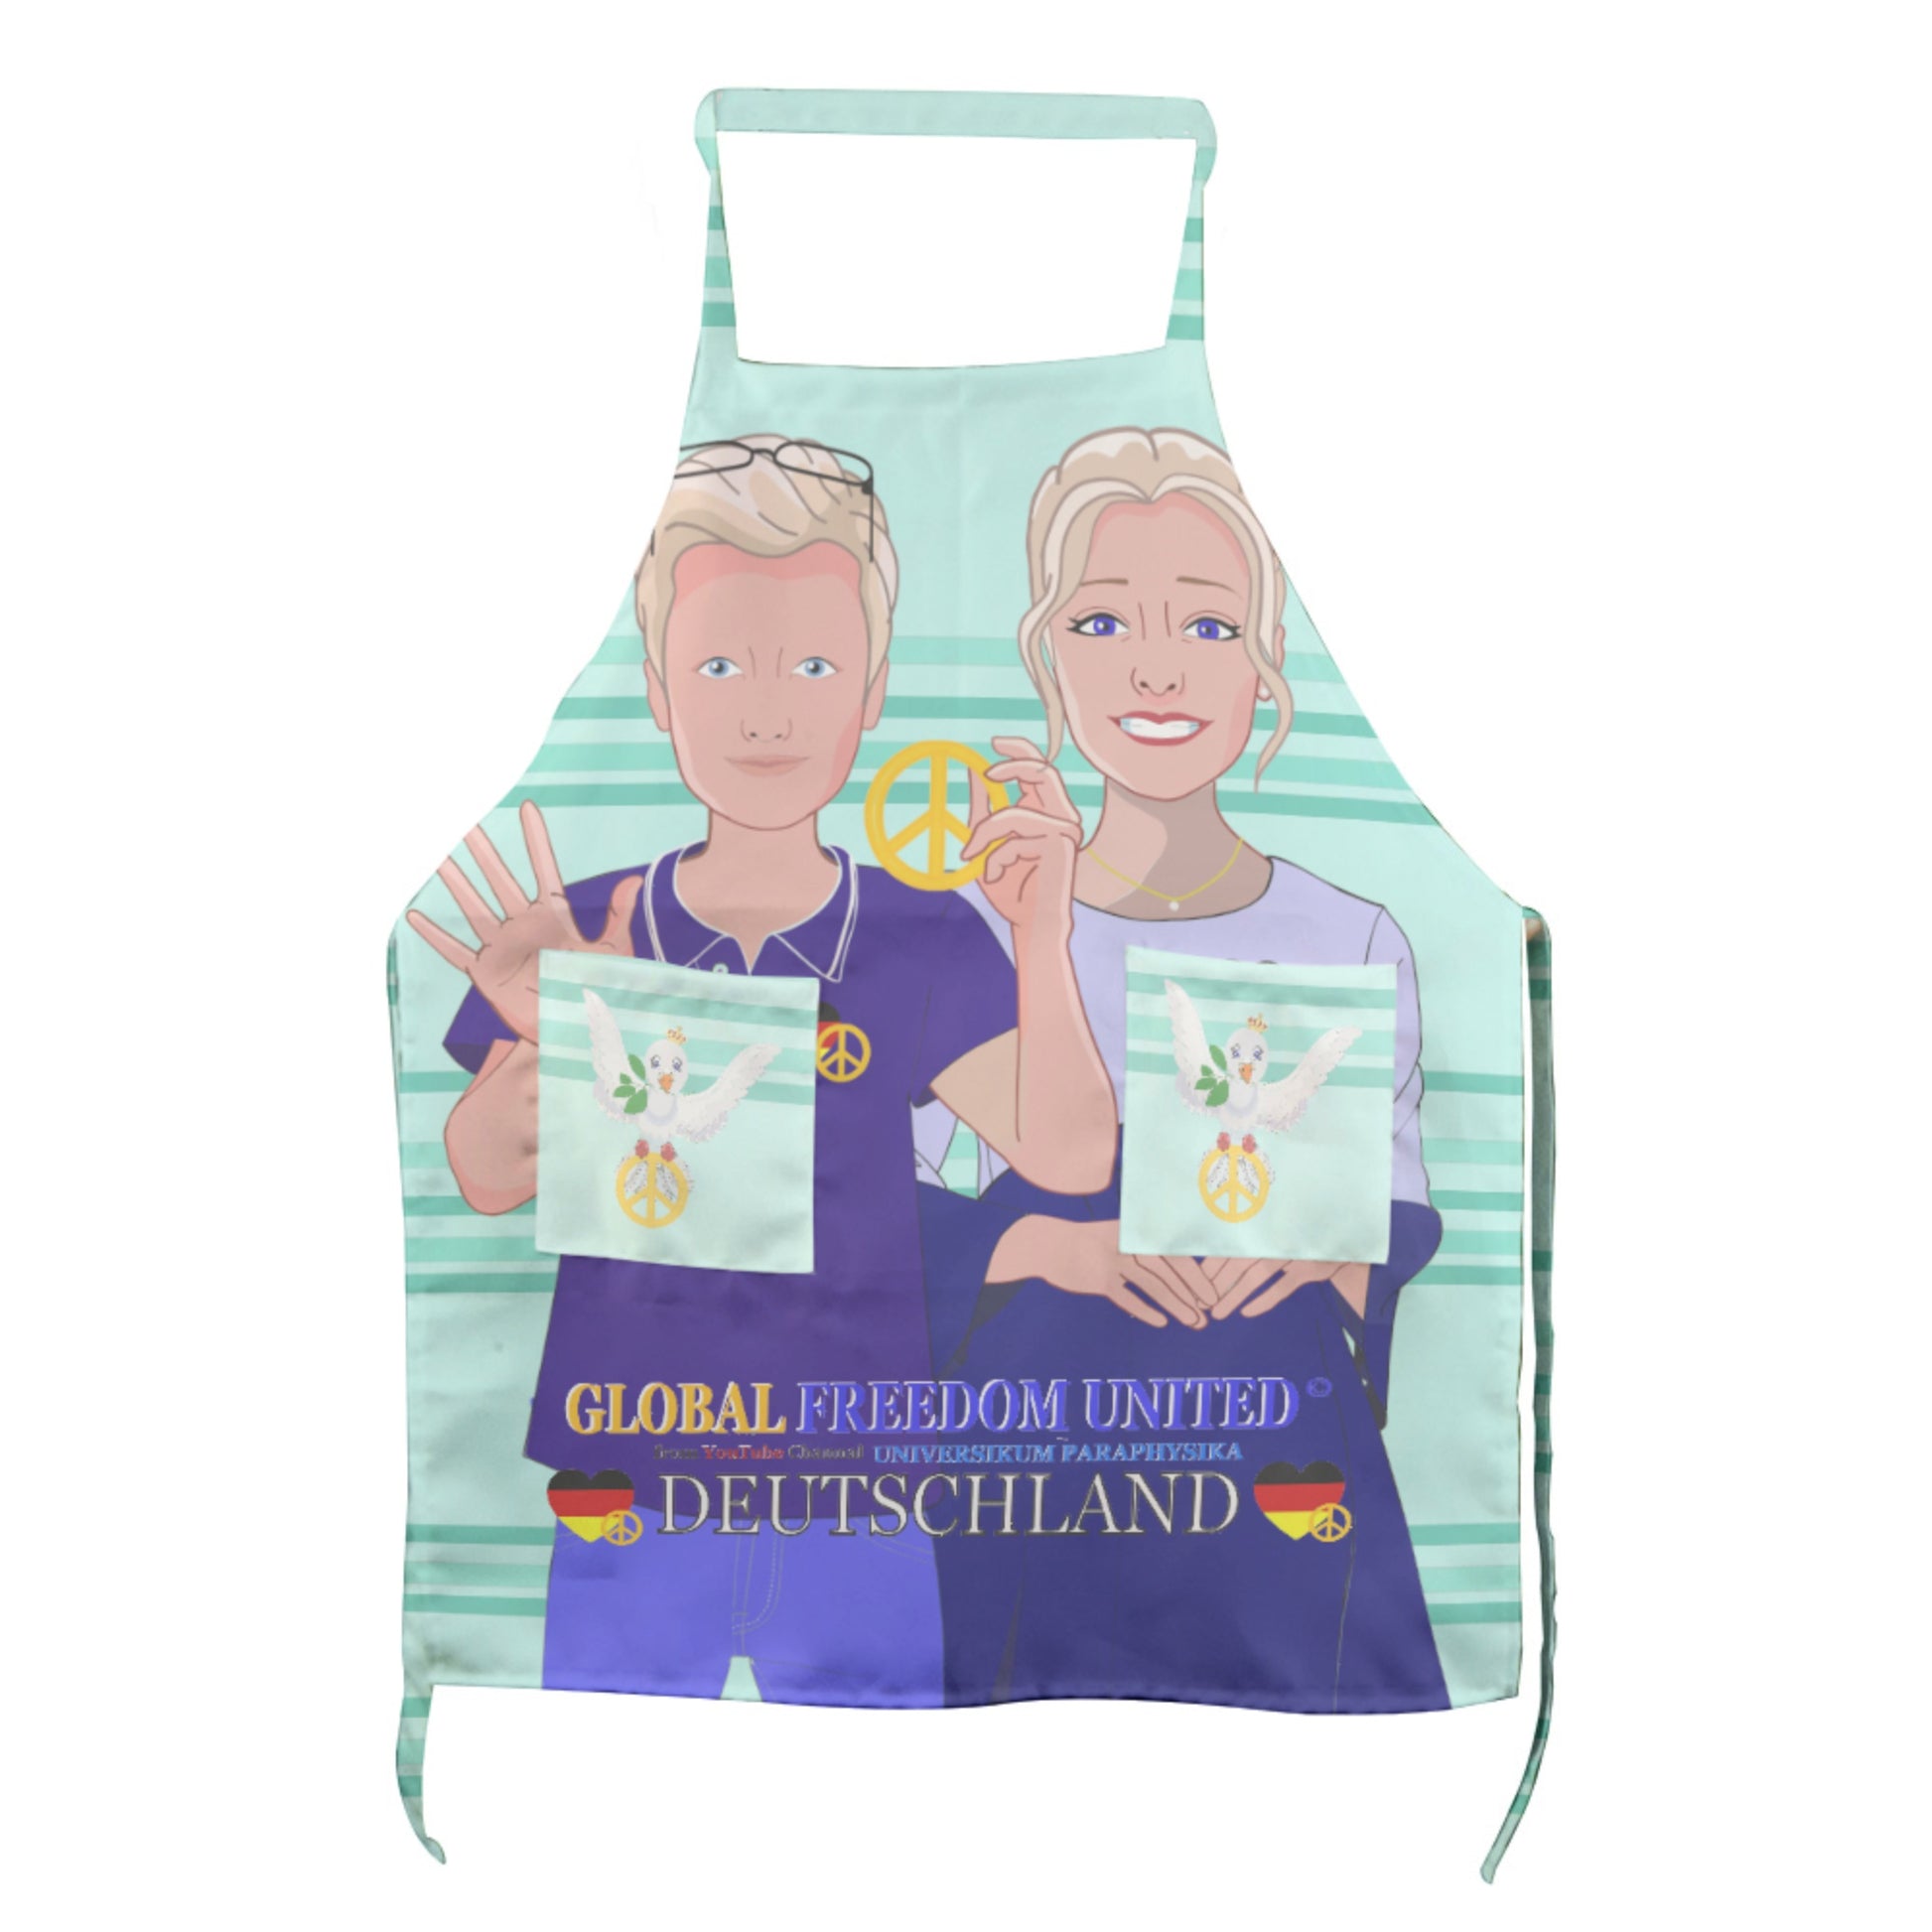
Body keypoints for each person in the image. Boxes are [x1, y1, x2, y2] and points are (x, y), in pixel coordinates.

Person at [408, 436, 1115, 1705]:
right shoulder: (587, 925)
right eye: (721, 664)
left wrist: (1042, 936)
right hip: (626, 1478)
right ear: (657, 688)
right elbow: (481, 1174)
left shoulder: (916, 933)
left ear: (872, 690)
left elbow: (1067, 1154)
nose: (768, 711)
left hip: (858, 1482)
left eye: (814, 666)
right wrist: (562, 1029)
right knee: (602, 1778)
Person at [919, 426, 1449, 1712]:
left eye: (1207, 626)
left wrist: (1318, 1252)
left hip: (1276, 1476)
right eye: (1101, 622)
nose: (1154, 668)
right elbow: (887, 1214)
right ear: (1046, 655)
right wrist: (1051, 1246)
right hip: (1025, 1478)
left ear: (1266, 664)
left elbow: (1398, 1212)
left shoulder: (1348, 934)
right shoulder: (975, 925)